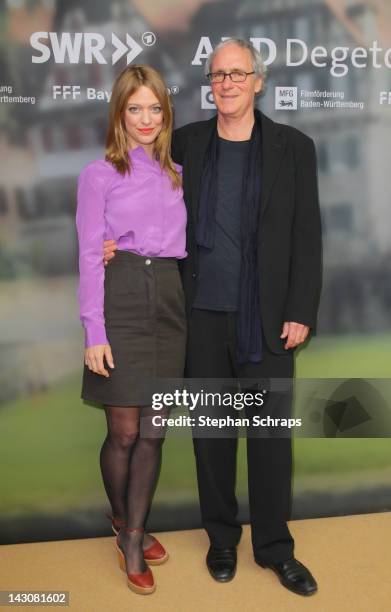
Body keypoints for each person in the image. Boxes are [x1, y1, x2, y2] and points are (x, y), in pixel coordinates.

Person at [104, 37, 322, 597]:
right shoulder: (187, 143)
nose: (226, 83)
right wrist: (112, 241)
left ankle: (274, 548)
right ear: (212, 85)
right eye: (217, 75)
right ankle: (222, 539)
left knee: (271, 443)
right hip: (199, 317)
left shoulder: (294, 147)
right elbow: (136, 190)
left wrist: (301, 310)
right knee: (212, 439)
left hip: (270, 321)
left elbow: (307, 237)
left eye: (236, 74)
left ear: (257, 81)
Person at [76, 65, 187, 595]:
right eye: (135, 108)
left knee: (155, 429)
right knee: (123, 431)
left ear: (166, 113)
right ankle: (123, 524)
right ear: (120, 112)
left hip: (168, 300)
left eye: (155, 108)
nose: (146, 119)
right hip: (118, 299)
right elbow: (87, 256)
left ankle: (136, 531)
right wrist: (93, 330)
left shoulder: (177, 173)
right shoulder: (99, 174)